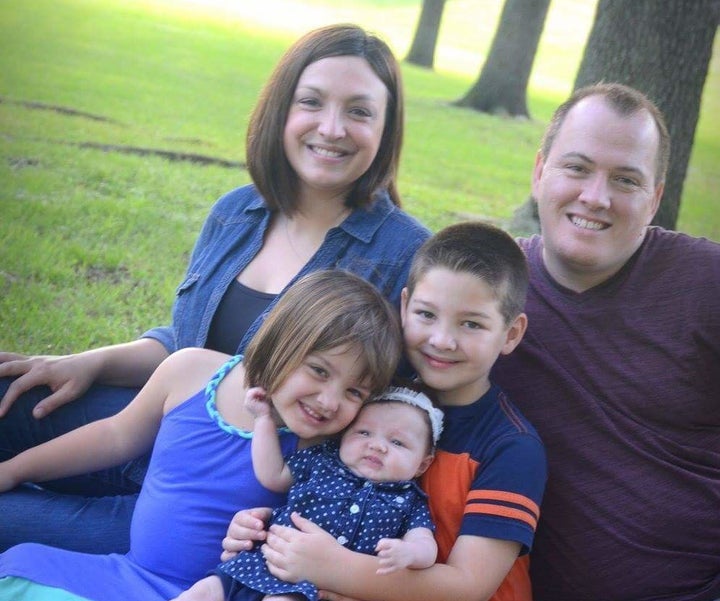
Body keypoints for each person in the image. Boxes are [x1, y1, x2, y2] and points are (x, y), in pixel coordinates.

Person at [0, 23, 429, 554]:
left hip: (222, 500)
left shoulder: (404, 256)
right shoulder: (237, 212)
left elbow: (390, 413)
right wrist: (89, 362)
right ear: (281, 111)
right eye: (311, 102)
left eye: (359, 111)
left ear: (387, 131)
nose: (332, 127)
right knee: (9, 394)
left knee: (7, 520)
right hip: (153, 429)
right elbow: (190, 343)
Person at [0, 270, 403, 601]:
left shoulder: (326, 452)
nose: (330, 401)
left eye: (355, 392)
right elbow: (115, 436)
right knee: (20, 567)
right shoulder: (192, 372)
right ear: (281, 342)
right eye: (318, 370)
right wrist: (15, 470)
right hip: (127, 571)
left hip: (211, 593)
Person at [222, 222, 548, 601]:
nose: (442, 340)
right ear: (405, 305)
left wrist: (333, 567)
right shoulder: (367, 396)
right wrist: (265, 530)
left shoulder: (511, 447)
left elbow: (468, 586)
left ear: (510, 334)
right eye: (427, 314)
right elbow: (318, 486)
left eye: (472, 324)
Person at [489, 83, 720, 601]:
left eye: (625, 179)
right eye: (576, 168)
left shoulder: (707, 283)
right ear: (539, 172)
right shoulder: (485, 292)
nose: (596, 197)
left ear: (656, 198)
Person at [175, 384, 444, 601]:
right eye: (363, 433)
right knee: (203, 592)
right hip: (258, 562)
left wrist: (410, 553)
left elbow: (424, 542)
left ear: (422, 463)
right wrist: (263, 419)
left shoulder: (409, 500)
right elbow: (272, 474)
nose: (377, 446)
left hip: (309, 588)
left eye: (397, 442)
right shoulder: (322, 461)